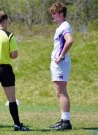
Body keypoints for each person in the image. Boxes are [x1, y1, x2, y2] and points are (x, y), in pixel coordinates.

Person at [48, 2, 74, 130]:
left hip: (61, 64)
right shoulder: (61, 26)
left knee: (61, 92)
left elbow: (70, 40)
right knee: (59, 92)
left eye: (54, 13)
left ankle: (66, 122)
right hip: (58, 64)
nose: (52, 16)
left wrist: (62, 56)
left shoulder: (64, 26)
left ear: (61, 13)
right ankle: (63, 119)